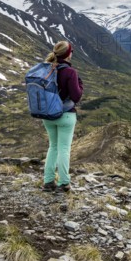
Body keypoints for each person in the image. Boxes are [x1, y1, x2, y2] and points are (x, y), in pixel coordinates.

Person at [41, 41, 83, 193]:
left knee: (53, 147)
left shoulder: (46, 69)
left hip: (47, 115)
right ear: (68, 54)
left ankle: (48, 181)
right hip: (65, 115)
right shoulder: (70, 72)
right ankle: (64, 182)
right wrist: (80, 85)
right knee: (64, 148)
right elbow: (76, 96)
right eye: (71, 51)